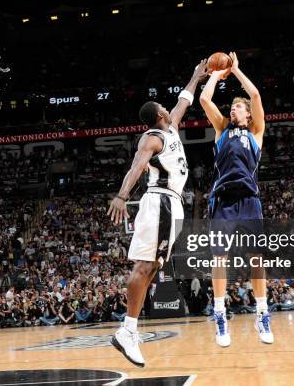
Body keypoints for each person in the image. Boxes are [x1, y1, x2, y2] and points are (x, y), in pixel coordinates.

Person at [108, 60, 208, 366]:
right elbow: (137, 166)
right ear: (159, 115)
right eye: (164, 107)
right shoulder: (153, 137)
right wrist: (123, 196)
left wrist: (195, 76)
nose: (169, 107)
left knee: (152, 268)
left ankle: (129, 329)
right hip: (161, 201)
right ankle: (128, 330)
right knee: (144, 267)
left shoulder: (172, 127)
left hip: (172, 203)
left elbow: (184, 100)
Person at [199, 52, 273, 347]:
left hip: (249, 200)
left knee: (256, 258)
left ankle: (262, 312)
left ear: (248, 115)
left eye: (238, 107)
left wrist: (237, 70)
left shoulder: (256, 132)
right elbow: (205, 101)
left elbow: (254, 93)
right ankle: (219, 315)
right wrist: (217, 75)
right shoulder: (221, 130)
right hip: (223, 201)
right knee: (219, 258)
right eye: (232, 107)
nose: (234, 110)